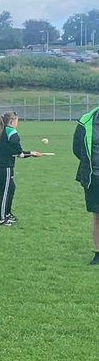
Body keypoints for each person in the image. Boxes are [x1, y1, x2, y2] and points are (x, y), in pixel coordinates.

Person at [0, 112, 42, 226]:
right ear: (13, 121)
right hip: (3, 166)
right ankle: (2, 219)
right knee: (4, 192)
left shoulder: (4, 131)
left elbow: (16, 152)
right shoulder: (10, 131)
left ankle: (7, 214)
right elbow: (19, 151)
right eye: (17, 120)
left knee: (11, 188)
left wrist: (31, 153)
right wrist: (27, 153)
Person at [72, 103, 99, 264]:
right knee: (97, 217)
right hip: (93, 177)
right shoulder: (86, 121)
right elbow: (77, 149)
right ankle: (98, 253)